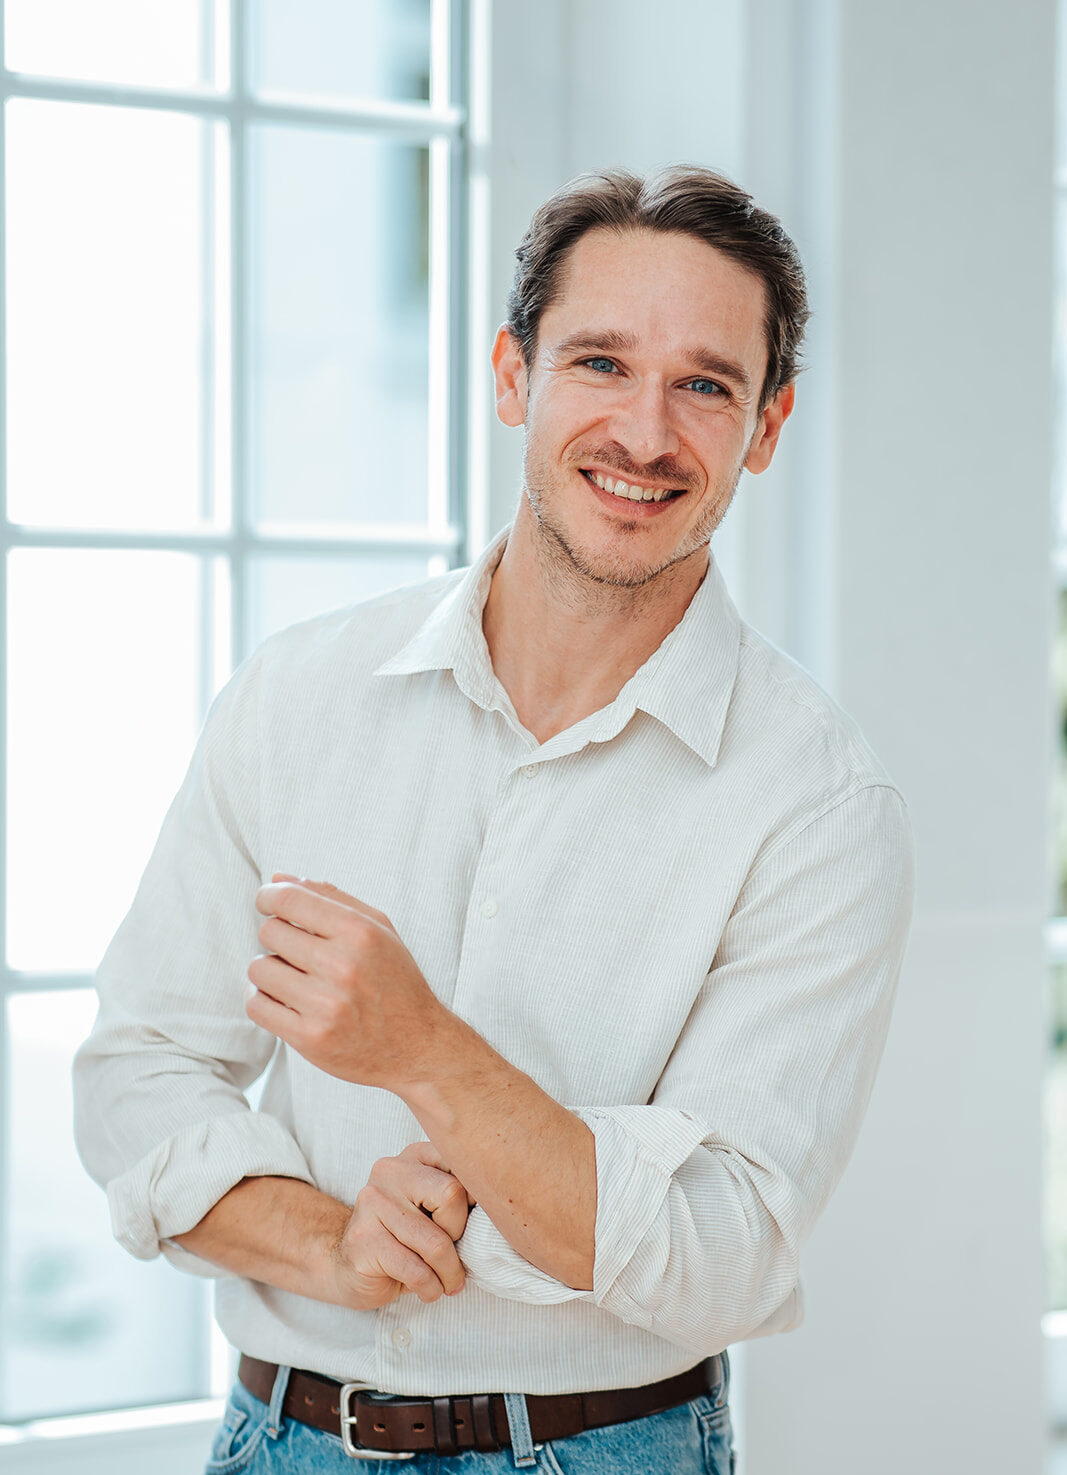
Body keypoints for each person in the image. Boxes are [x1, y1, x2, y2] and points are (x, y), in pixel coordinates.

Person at [73, 166, 914, 1474]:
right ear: (513, 376)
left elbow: (722, 1247)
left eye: (705, 384)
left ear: (768, 425)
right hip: (279, 1436)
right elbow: (137, 1075)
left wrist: (417, 1048)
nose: (645, 434)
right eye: (599, 363)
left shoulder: (817, 805)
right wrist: (333, 1241)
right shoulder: (300, 696)